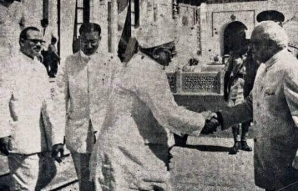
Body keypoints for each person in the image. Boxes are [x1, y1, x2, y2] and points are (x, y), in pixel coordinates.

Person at [90, 21, 211, 191]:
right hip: (126, 155)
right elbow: (169, 113)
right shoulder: (147, 70)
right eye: (170, 50)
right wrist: (202, 121)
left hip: (128, 153)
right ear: (156, 52)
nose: (174, 55)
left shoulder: (140, 64)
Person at [202, 21, 298, 191]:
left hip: (289, 167)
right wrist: (221, 118)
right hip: (270, 165)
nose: (250, 48)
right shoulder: (263, 67)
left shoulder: (290, 69)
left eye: (255, 43)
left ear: (270, 44)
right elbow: (250, 105)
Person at [54, 22, 121, 190]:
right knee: (85, 183)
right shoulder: (69, 63)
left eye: (93, 41)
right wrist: (57, 138)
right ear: (79, 39)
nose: (89, 45)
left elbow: (120, 99)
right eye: (85, 41)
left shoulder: (112, 62)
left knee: (108, 181)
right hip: (79, 133)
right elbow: (59, 101)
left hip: (107, 132)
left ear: (100, 39)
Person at [0, 27, 64, 190]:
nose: (38, 45)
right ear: (21, 42)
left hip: (42, 138)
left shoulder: (41, 68)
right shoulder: (9, 65)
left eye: (40, 41)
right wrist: (3, 133)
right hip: (21, 136)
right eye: (33, 41)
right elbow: (1, 100)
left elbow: (48, 104)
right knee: (25, 185)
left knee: (46, 175)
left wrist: (56, 139)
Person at [224, 49, 252, 154]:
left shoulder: (253, 54)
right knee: (234, 113)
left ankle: (244, 141)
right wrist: (225, 90)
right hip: (236, 84)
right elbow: (227, 73)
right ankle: (236, 142)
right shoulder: (234, 56)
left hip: (248, 84)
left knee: (248, 112)